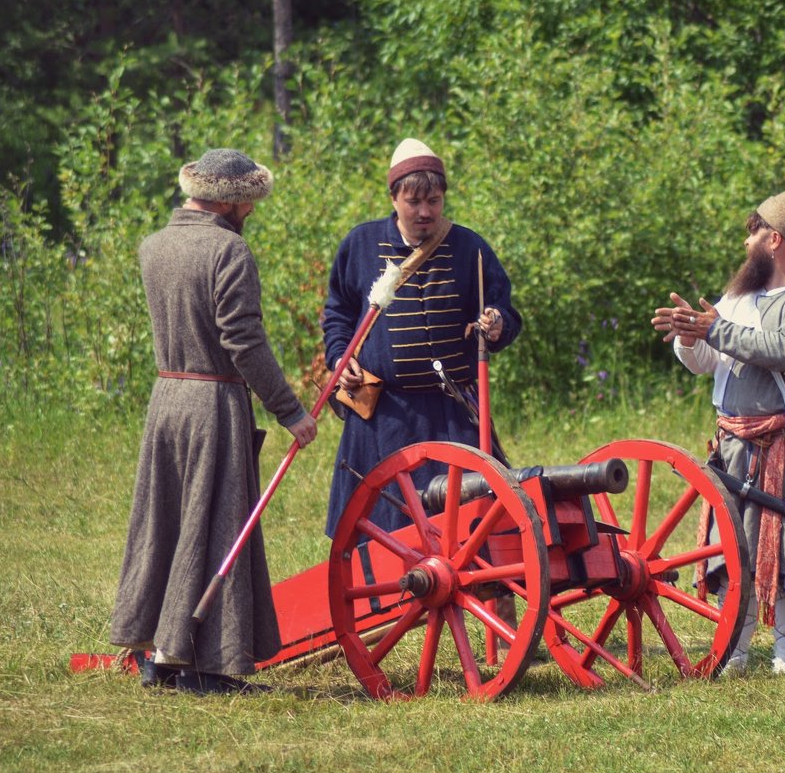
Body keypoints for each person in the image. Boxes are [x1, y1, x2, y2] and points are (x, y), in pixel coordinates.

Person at [110, 149, 317, 695]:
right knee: (215, 527)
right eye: (248, 203)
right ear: (230, 201)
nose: (251, 212)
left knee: (168, 527)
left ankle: (158, 652)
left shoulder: (153, 246)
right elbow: (243, 341)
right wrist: (289, 410)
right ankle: (203, 666)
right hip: (212, 405)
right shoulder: (229, 251)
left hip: (166, 400)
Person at [651, 190, 785, 676]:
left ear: (774, 239)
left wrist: (712, 328)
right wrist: (690, 336)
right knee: (731, 556)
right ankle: (733, 655)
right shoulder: (739, 297)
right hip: (734, 446)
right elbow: (707, 362)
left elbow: (782, 350)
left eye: (753, 232)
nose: (746, 243)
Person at [321, 138, 521, 539]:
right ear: (394, 197)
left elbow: (505, 309)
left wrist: (497, 322)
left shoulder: (470, 248)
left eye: (434, 200)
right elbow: (338, 313)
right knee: (380, 526)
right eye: (414, 202)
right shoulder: (359, 246)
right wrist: (340, 357)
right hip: (383, 417)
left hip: (452, 414)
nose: (426, 211)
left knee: (472, 527)